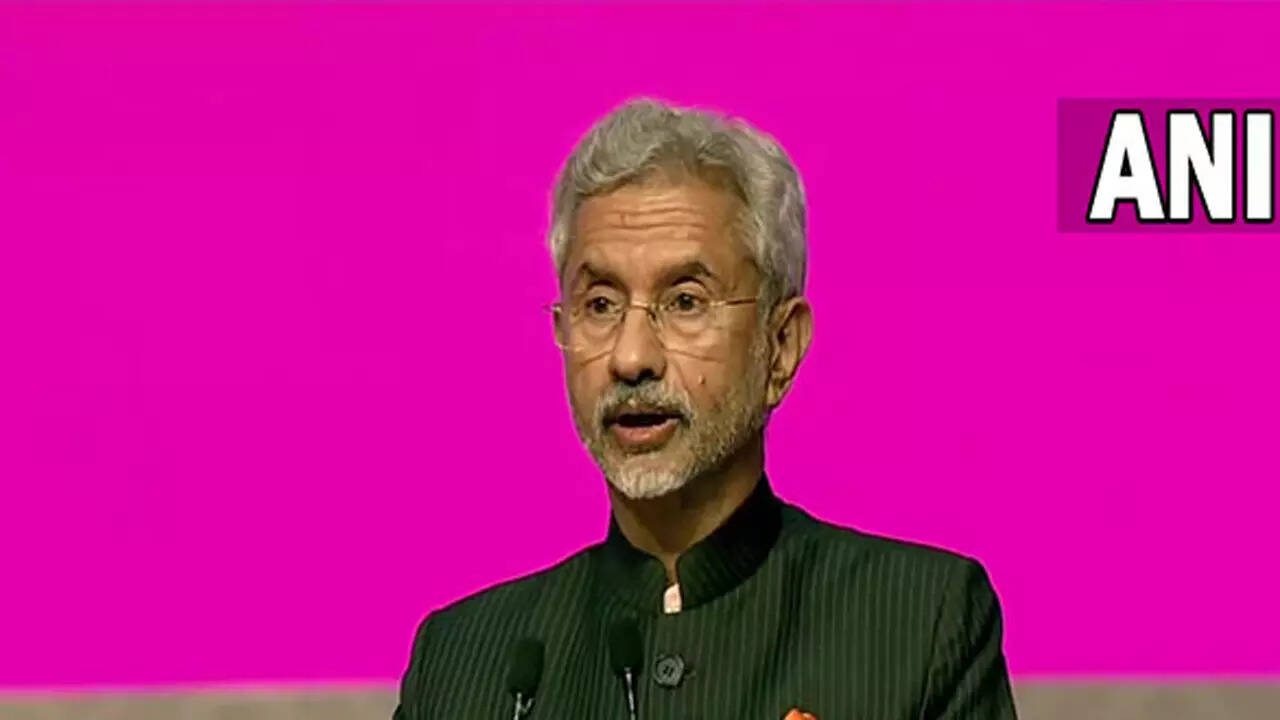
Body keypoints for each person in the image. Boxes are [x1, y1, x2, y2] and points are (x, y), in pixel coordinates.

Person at [392, 98, 1018, 720]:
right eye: (601, 305)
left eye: (685, 302)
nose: (631, 358)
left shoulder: (917, 626)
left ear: (780, 346)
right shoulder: (462, 666)